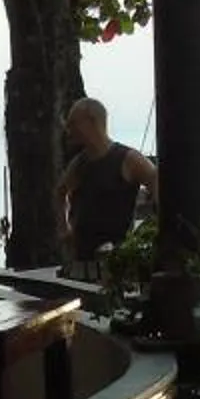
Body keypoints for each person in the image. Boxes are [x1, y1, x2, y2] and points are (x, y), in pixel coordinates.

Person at [55, 97, 158, 271]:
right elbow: (60, 192)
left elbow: (156, 180)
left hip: (116, 260)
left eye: (73, 123)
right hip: (82, 259)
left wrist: (152, 229)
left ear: (91, 122)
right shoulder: (79, 163)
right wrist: (65, 230)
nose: (68, 129)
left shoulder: (127, 159)